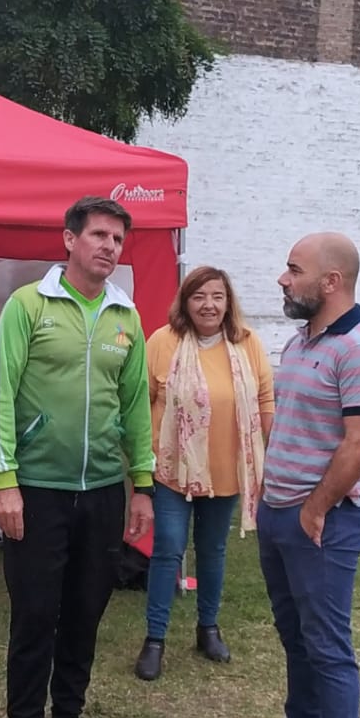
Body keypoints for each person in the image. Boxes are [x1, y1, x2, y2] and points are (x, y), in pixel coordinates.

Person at [0, 196, 154, 718]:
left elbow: (135, 406)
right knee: (34, 615)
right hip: (37, 492)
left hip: (102, 492)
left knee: (85, 611)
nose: (109, 247)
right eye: (99, 235)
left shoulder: (125, 315)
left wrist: (143, 485)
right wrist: (4, 480)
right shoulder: (29, 305)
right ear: (70, 240)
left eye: (118, 239)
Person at [233, 233, 360, 718]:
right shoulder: (303, 341)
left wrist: (316, 507)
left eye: (293, 269)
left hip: (324, 521)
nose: (282, 278)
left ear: (331, 281)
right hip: (282, 512)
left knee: (328, 647)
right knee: (296, 634)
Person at [134, 266, 274, 680]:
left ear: (228, 302)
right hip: (172, 471)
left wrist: (271, 456)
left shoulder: (247, 343)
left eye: (217, 296)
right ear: (185, 302)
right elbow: (141, 403)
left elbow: (265, 400)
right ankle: (155, 640)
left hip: (227, 472)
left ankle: (207, 629)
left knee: (212, 551)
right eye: (198, 296)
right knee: (168, 548)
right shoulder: (162, 342)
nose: (208, 305)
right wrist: (141, 461)